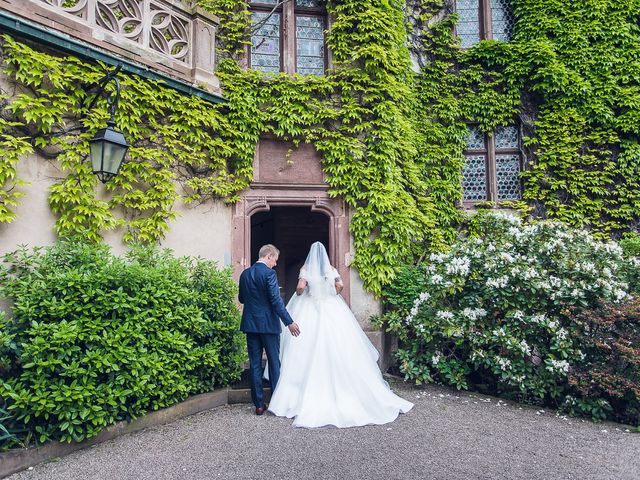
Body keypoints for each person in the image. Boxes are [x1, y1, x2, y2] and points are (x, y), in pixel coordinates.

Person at [268, 241, 413, 427]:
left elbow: (300, 288)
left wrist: (301, 290)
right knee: (340, 342)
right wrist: (331, 294)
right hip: (331, 307)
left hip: (309, 307)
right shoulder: (332, 268)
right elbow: (341, 286)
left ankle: (300, 391)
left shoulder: (306, 269)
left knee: (302, 346)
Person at [238, 244, 300, 415]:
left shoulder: (245, 274)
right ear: (269, 256)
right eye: (275, 260)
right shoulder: (269, 274)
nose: (275, 264)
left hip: (251, 325)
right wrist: (289, 322)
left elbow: (242, 299)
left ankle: (258, 405)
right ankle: (276, 402)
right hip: (269, 326)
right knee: (274, 363)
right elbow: (276, 301)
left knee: (255, 364)